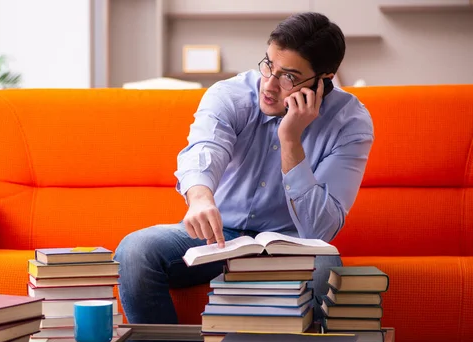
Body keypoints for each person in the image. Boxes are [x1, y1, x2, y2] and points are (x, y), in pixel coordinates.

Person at [114, 12, 374, 325]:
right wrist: (200, 198)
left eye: (288, 77)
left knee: (326, 272)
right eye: (268, 65)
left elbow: (320, 230)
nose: (270, 84)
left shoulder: (350, 122)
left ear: (324, 80)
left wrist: (290, 139)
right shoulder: (231, 95)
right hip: (220, 236)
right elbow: (204, 150)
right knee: (135, 251)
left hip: (293, 245)